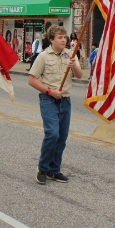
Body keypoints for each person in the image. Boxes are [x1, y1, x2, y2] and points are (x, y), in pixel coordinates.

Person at [28, 25, 83, 185]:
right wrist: (50, 91)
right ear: (51, 40)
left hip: (65, 100)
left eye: (65, 37)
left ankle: (54, 169)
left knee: (62, 137)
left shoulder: (70, 55)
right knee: (52, 133)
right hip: (49, 100)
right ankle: (42, 168)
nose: (64, 40)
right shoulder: (43, 56)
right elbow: (32, 79)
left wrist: (75, 66)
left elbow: (79, 76)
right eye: (60, 37)